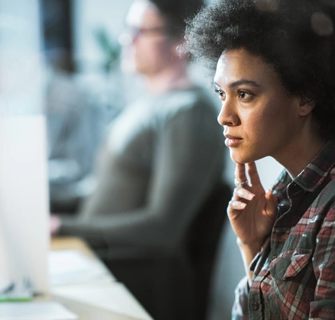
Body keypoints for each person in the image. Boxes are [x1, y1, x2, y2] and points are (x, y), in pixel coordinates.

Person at [185, 0, 335, 318]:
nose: (224, 116)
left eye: (244, 94)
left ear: (305, 96)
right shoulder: (285, 189)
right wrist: (251, 246)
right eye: (222, 93)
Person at [51, 0, 227, 318]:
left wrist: (64, 227)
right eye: (129, 30)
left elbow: (163, 227)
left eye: (141, 31)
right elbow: (101, 190)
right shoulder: (146, 105)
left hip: (132, 279)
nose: (126, 40)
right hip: (101, 264)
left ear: (181, 41)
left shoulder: (188, 114)